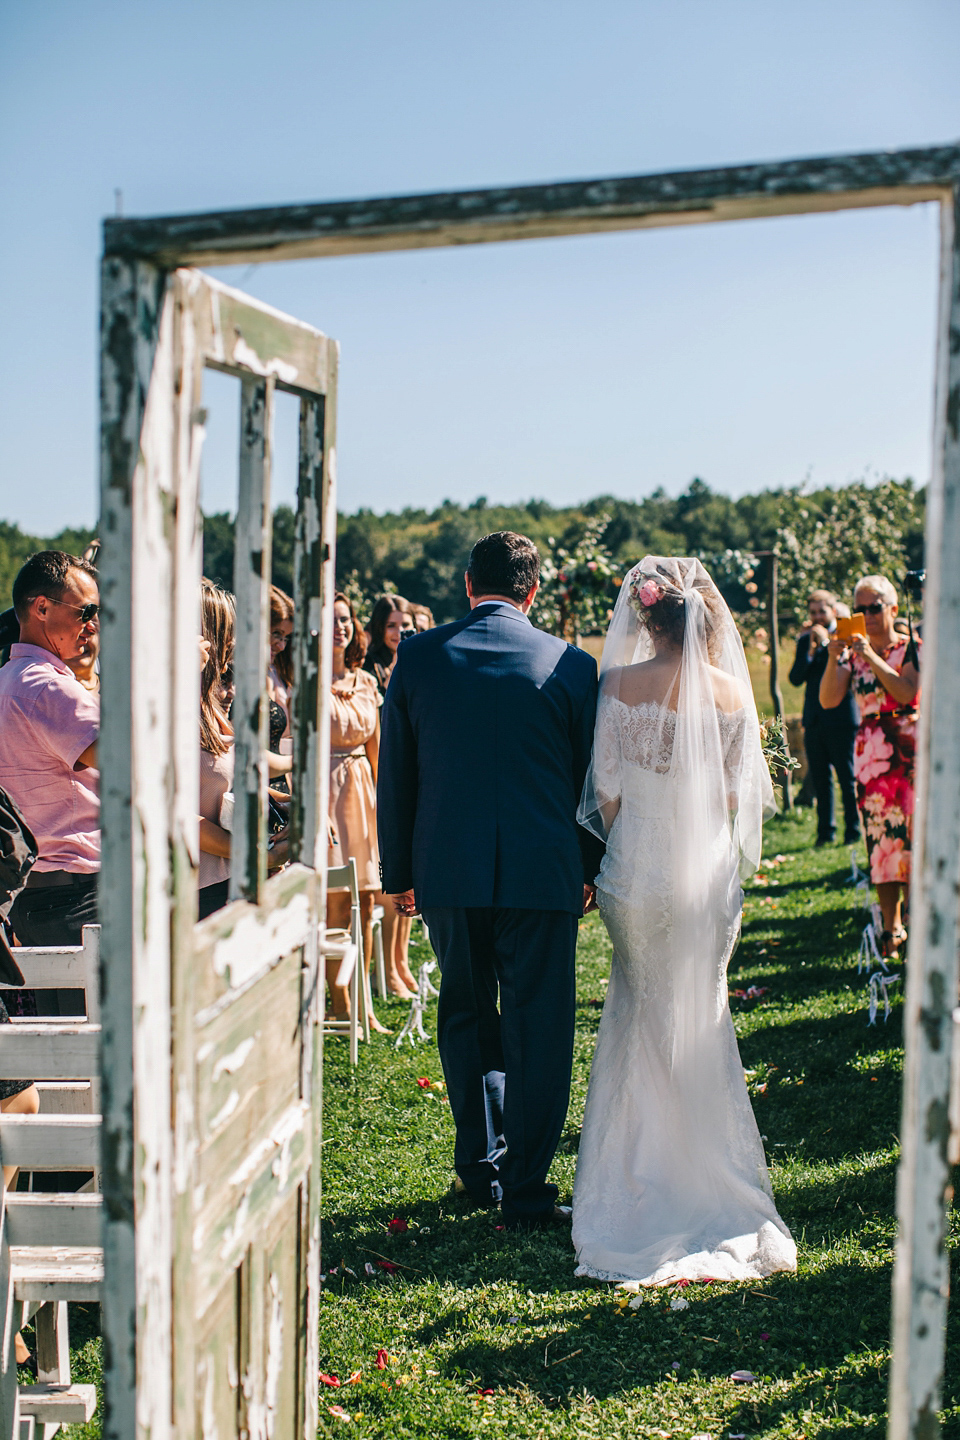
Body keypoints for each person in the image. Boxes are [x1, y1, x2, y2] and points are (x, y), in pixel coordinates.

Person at [572, 557, 796, 1286]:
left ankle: (636, 1178)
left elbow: (604, 790)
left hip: (636, 875)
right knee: (700, 1017)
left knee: (638, 1013)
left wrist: (636, 829)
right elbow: (738, 797)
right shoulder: (733, 693)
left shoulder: (619, 685)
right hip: (704, 879)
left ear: (645, 620)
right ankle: (710, 1181)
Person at [377, 531, 604, 1229]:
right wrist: (589, 868)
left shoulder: (415, 656)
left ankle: (480, 1168)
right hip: (543, 873)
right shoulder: (573, 665)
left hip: (447, 872)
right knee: (539, 1027)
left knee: (467, 1015)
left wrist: (400, 874)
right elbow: (591, 781)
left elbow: (398, 775)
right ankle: (528, 1187)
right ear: (532, 593)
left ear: (469, 586)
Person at [0, 552, 100, 1014]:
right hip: (80, 897)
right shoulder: (48, 686)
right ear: (41, 608)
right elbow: (129, 752)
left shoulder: (7, 680)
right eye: (85, 612)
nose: (93, 625)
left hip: (34, 893)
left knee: (63, 1049)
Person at [819, 574, 920, 959]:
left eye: (874, 607)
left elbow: (907, 692)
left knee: (913, 840)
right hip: (872, 760)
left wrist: (871, 655)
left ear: (893, 609)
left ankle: (915, 919)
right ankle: (890, 925)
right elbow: (829, 700)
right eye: (859, 609)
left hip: (910, 753)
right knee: (881, 842)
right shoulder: (852, 656)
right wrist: (834, 657)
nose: (866, 615)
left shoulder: (912, 649)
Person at [326, 593, 392, 1024]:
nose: (341, 627)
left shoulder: (366, 682)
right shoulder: (302, 684)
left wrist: (388, 805)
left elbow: (378, 751)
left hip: (363, 791)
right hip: (325, 791)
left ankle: (363, 998)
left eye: (346, 619)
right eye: (331, 620)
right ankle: (338, 999)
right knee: (334, 900)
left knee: (367, 900)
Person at [788, 589, 859, 846]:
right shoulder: (806, 639)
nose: (817, 617)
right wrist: (809, 649)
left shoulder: (845, 635)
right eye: (813, 612)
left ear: (833, 610)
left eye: (822, 611)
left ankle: (853, 830)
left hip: (841, 718)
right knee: (820, 778)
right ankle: (825, 833)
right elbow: (795, 678)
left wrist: (827, 642)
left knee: (846, 777)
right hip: (815, 719)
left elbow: (848, 667)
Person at [198, 580, 236, 919]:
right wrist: (254, 854)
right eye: (225, 634)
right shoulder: (171, 709)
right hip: (192, 890)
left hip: (225, 881)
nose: (233, 645)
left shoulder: (209, 704)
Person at [364, 594, 416, 699]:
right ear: (379, 628)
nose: (400, 632)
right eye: (391, 626)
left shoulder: (420, 659)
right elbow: (376, 708)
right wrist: (395, 670)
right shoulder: (367, 662)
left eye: (405, 625)